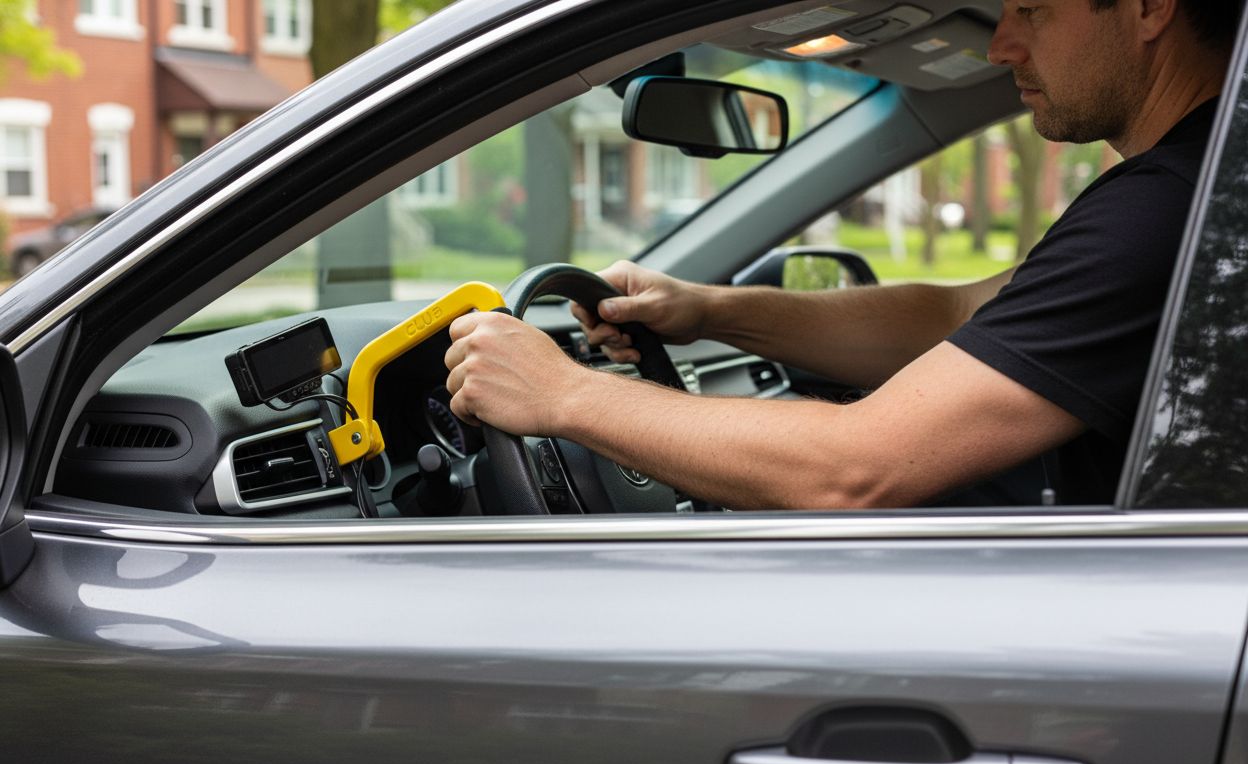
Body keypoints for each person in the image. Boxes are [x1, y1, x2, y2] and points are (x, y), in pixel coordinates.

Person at [444, 0, 1242, 510]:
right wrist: (708, 310)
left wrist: (561, 395)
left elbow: (856, 469)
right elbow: (958, 314)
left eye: (1030, 9)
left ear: (1147, 8)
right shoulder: (1197, 186)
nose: (1002, 46)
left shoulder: (1169, 209)